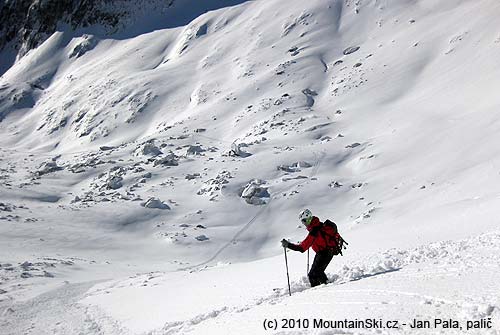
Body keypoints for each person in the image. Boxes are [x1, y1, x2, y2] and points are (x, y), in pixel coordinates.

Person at [281, 209, 339, 287]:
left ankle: (316, 292)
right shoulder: (318, 225)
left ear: (308, 219)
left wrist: (288, 245)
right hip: (327, 251)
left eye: (303, 221)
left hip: (324, 253)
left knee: (313, 275)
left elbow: (302, 248)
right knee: (318, 272)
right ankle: (326, 285)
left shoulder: (314, 231)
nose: (303, 223)